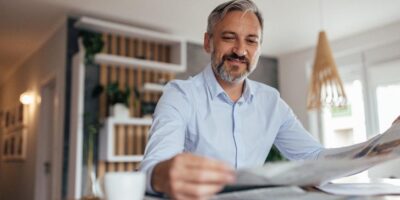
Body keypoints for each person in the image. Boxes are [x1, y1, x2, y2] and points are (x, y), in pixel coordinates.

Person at [139, 0, 398, 199]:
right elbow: (152, 168)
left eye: (251, 41)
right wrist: (163, 175)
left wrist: (380, 145)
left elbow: (314, 158)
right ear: (208, 42)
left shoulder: (271, 101)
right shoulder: (180, 94)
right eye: (229, 38)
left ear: (258, 49)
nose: (240, 50)